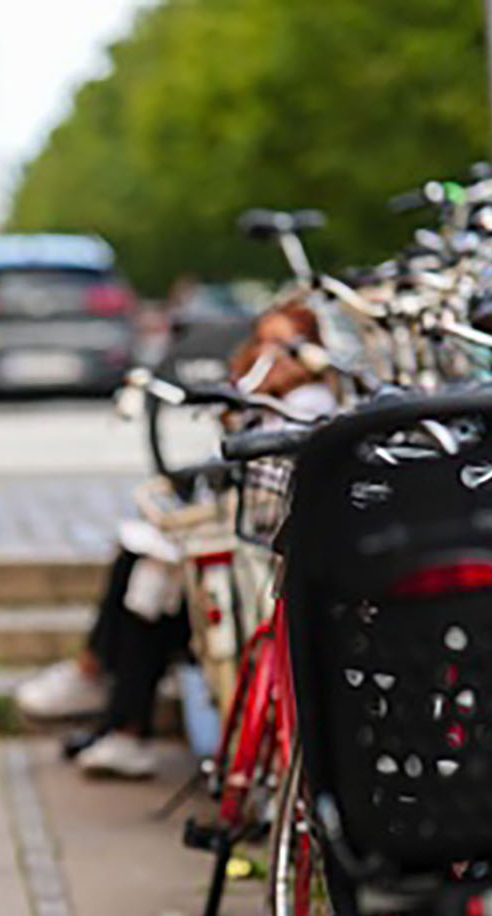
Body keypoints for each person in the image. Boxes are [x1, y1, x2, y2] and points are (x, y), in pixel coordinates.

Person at [17, 301, 337, 778]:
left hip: (263, 562)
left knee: (150, 570)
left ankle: (110, 699)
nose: (271, 356)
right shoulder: (258, 405)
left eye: (286, 346)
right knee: (147, 562)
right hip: (245, 556)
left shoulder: (308, 411)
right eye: (264, 342)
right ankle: (115, 711)